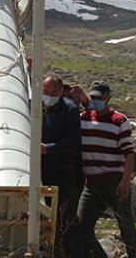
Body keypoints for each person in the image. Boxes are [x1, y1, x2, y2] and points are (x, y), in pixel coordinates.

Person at [78, 81, 136, 258]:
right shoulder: (84, 119)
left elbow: (129, 153)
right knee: (82, 225)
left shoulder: (119, 121)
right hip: (91, 184)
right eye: (93, 98)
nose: (96, 100)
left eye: (99, 97)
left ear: (108, 98)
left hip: (114, 182)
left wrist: (125, 181)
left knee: (126, 226)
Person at [40, 74, 84, 258]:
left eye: (53, 92)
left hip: (62, 174)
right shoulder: (35, 107)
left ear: (60, 91)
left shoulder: (69, 110)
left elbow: (74, 142)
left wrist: (48, 149)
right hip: (39, 172)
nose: (49, 95)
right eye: (46, 91)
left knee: (63, 220)